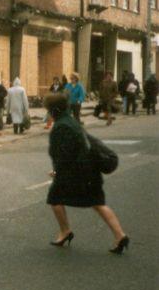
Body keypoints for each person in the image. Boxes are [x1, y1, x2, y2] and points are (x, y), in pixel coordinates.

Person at [44, 93, 129, 254]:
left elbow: (64, 154)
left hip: (78, 174)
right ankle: (120, 235)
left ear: (54, 110)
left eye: (48, 110)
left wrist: (57, 172)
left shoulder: (61, 126)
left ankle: (65, 231)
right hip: (90, 172)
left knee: (55, 198)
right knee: (98, 203)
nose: (47, 113)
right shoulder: (71, 121)